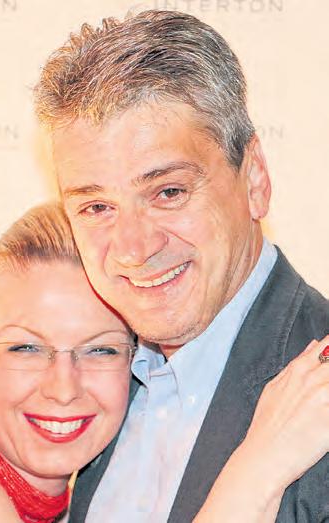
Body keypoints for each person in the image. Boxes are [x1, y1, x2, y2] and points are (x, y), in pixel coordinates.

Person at [34, 9, 329, 522]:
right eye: (97, 207)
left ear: (255, 180)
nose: (133, 248)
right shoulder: (85, 392)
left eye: (168, 192)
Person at [0, 204, 327, 523]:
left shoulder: (85, 489)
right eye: (26, 348)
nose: (63, 388)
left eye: (100, 350)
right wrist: (258, 470)